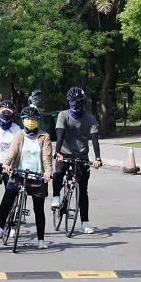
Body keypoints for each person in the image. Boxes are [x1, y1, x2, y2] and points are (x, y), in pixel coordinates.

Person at [0, 106, 53, 249]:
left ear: (37, 121)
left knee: (39, 208)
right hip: (19, 174)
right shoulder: (19, 135)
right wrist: (6, 164)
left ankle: (41, 240)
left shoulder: (44, 137)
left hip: (37, 176)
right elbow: (11, 152)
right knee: (7, 198)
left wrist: (48, 171)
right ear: (23, 121)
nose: (30, 122)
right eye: (27, 119)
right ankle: (0, 227)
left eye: (33, 119)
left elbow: (47, 157)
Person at [51, 86, 102, 234]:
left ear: (83, 102)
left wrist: (97, 158)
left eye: (77, 102)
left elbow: (95, 140)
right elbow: (59, 136)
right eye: (72, 102)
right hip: (64, 153)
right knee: (59, 172)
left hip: (81, 156)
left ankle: (84, 223)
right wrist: (57, 152)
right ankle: (56, 197)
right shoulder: (63, 115)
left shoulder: (90, 118)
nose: (75, 105)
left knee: (83, 190)